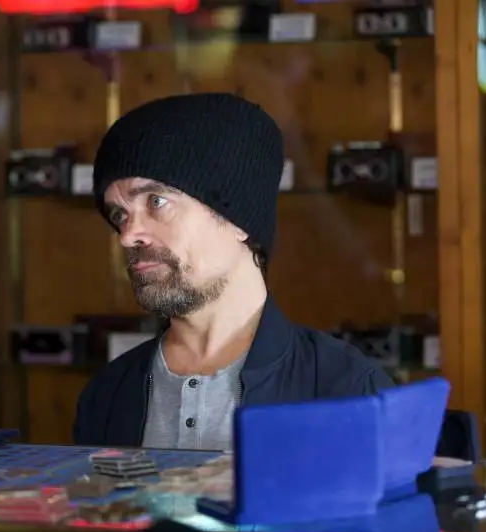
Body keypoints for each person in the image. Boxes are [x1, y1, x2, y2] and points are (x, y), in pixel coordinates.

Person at [72, 93, 395, 450]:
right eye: (120, 214)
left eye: (157, 202)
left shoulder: (346, 391)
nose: (128, 235)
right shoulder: (107, 396)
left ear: (238, 220)